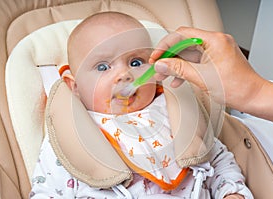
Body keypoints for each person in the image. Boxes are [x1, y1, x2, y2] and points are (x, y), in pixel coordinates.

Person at [30, 12, 253, 198]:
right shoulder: (71, 134)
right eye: (102, 67)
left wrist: (231, 192)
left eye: (136, 62)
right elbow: (46, 192)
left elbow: (218, 161)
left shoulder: (175, 114)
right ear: (75, 86)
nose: (124, 74)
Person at [150, 26, 273, 135]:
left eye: (135, 63)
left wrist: (255, 93)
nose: (125, 75)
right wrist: (257, 93)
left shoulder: (174, 111)